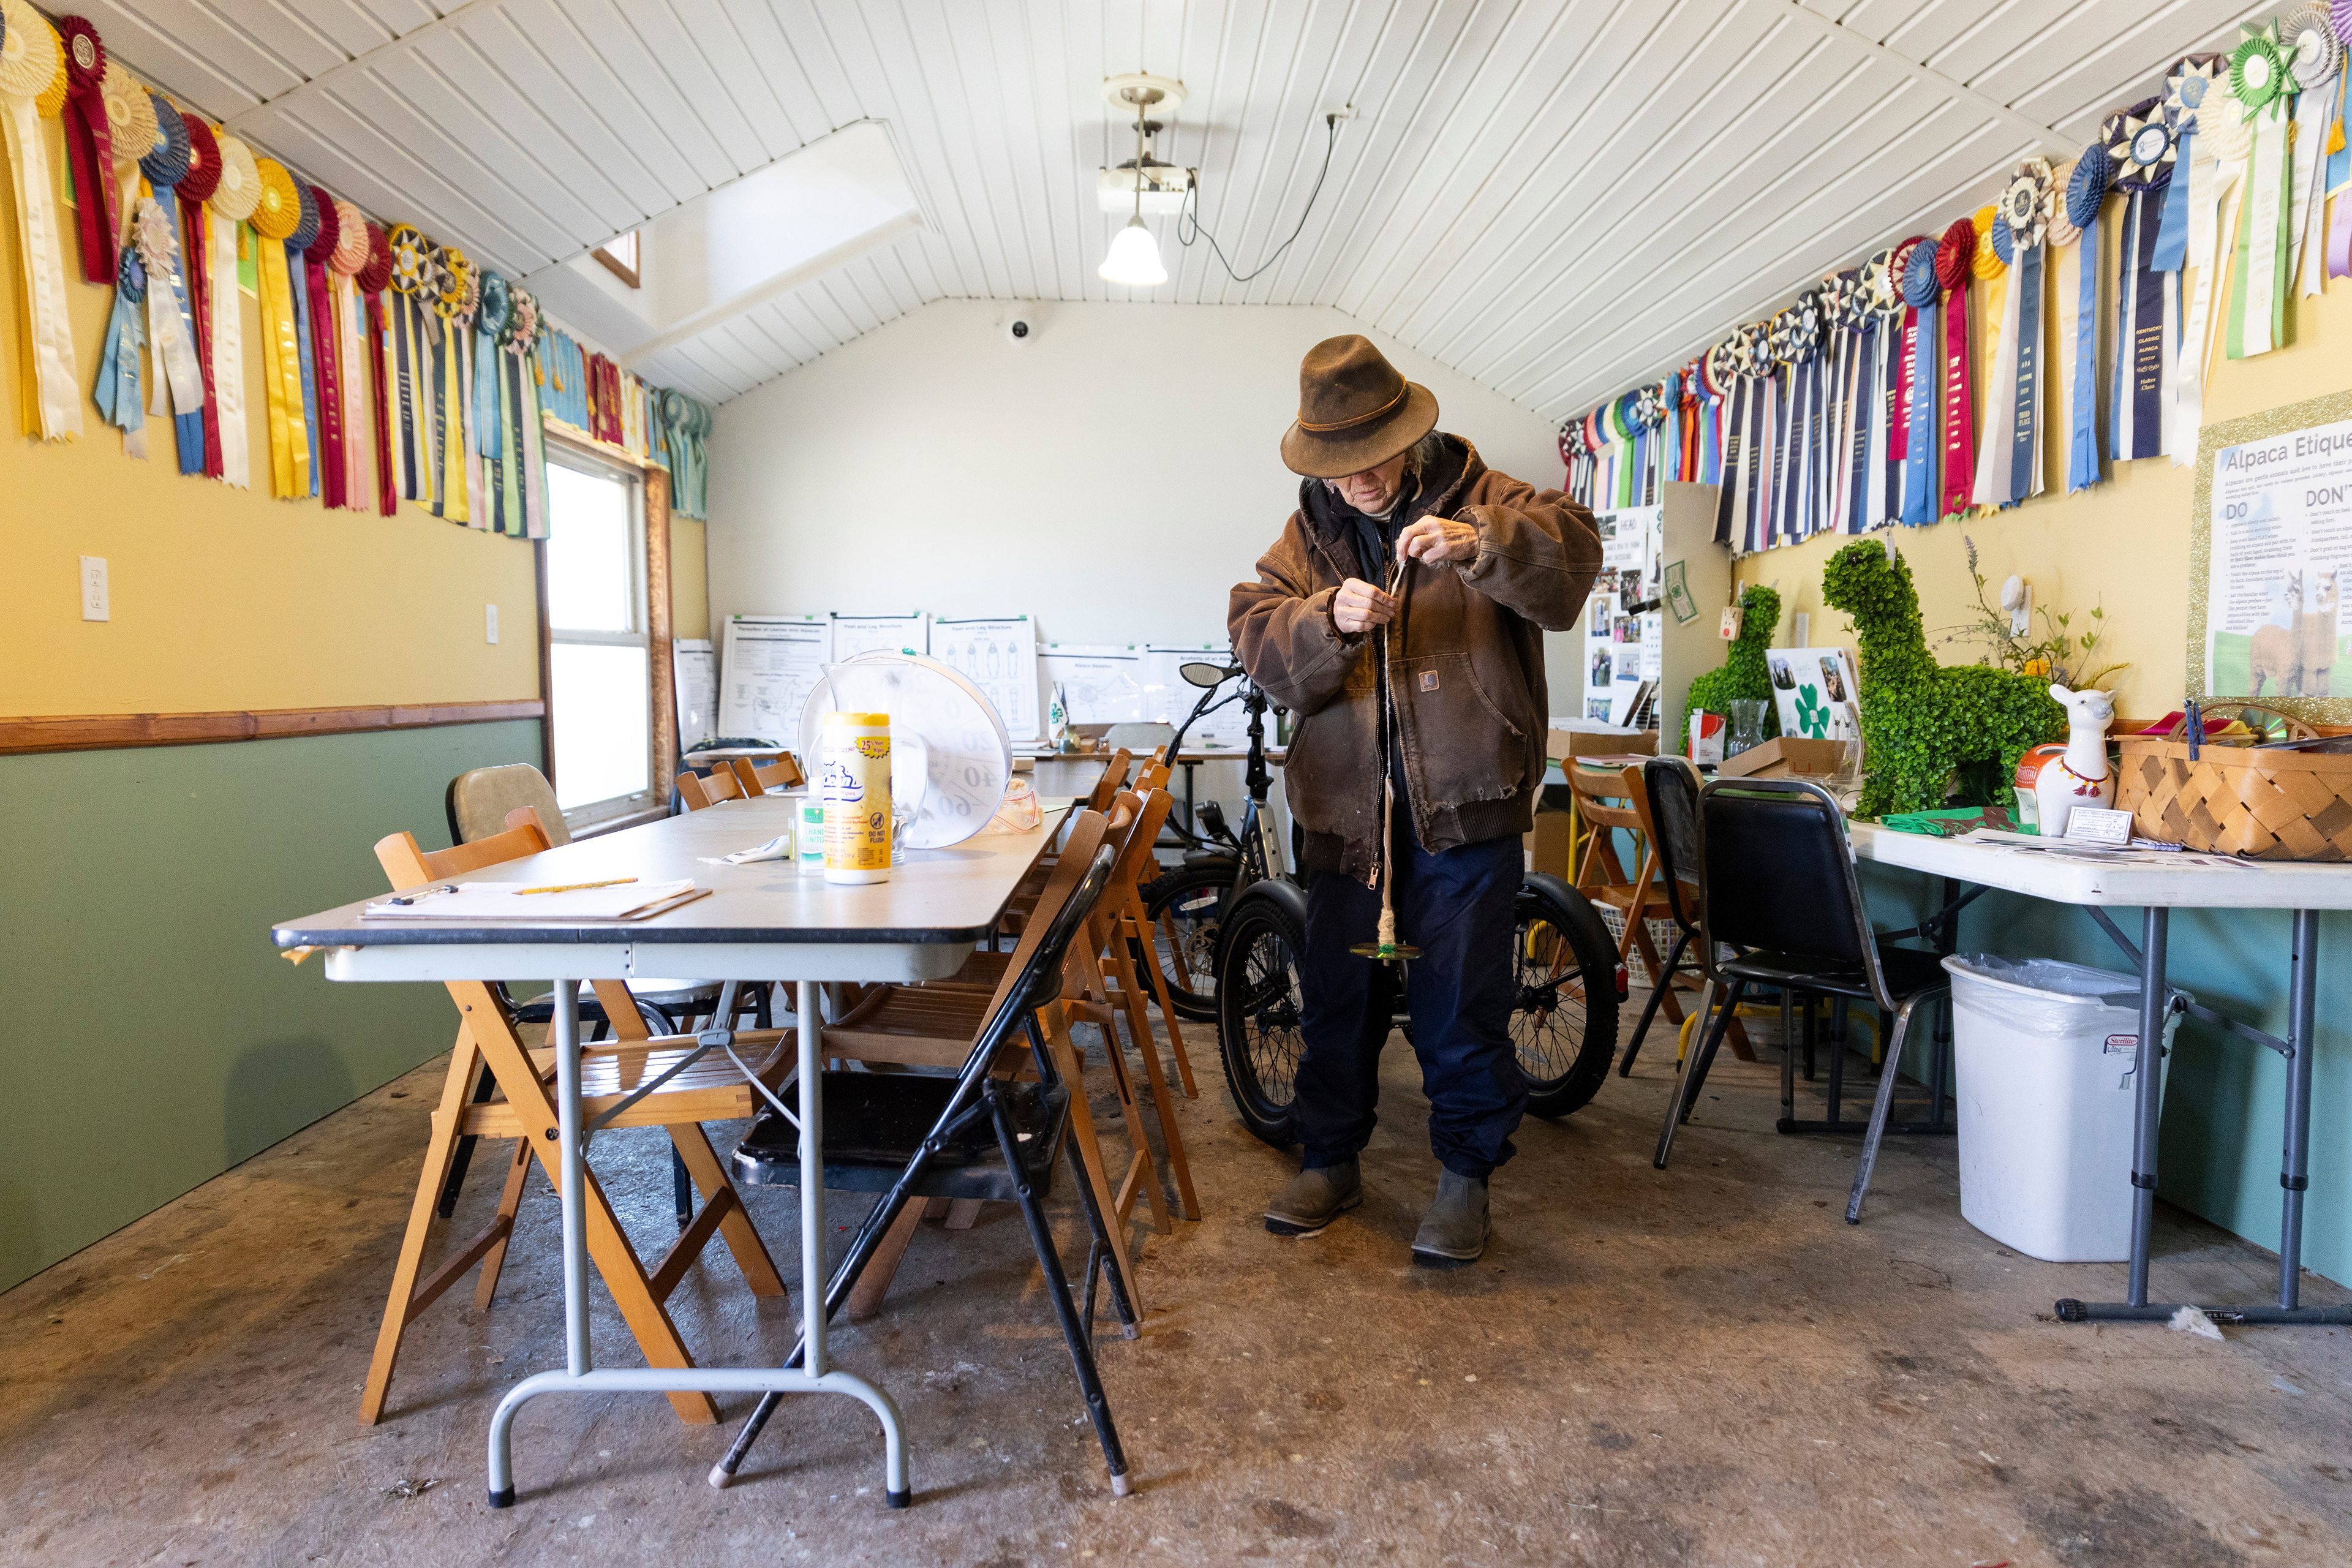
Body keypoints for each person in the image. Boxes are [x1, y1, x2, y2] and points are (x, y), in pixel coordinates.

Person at [1228, 335, 1601, 1267]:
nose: (1357, 479)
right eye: (1337, 463)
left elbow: (1573, 557)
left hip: (1466, 810)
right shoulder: (1302, 540)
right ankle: (1330, 1161)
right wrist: (1324, 619)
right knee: (1337, 1001)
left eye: (1372, 456)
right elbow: (1256, 636)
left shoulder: (1490, 496)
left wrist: (1482, 546)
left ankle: (1465, 1180)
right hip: (1346, 822)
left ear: (1409, 432)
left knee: (1460, 1002)